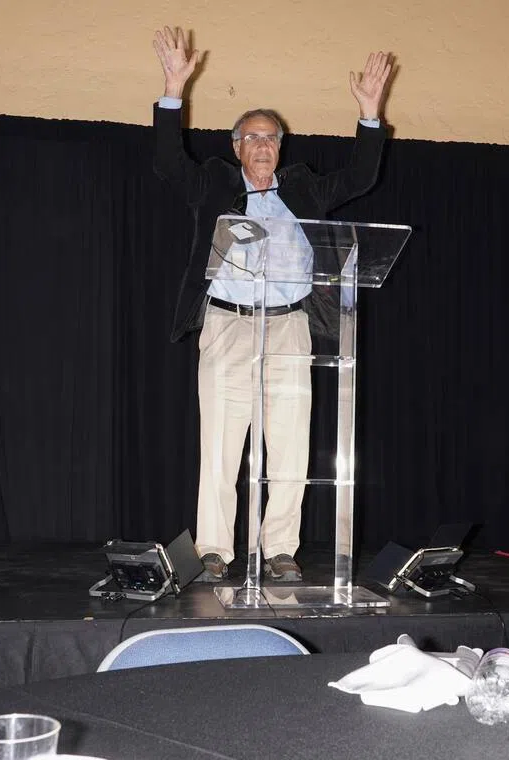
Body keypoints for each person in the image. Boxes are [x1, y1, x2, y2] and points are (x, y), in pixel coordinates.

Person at [151, 26, 393, 583]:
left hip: (289, 331)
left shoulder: (303, 188)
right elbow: (168, 161)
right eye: (254, 138)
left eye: (273, 139)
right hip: (227, 325)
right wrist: (172, 89)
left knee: (290, 444)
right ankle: (214, 549)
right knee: (220, 445)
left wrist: (370, 113)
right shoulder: (213, 183)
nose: (264, 147)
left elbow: (361, 176)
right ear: (236, 148)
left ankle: (281, 547)